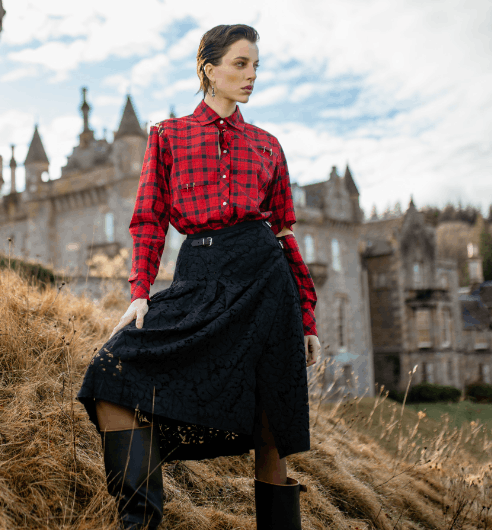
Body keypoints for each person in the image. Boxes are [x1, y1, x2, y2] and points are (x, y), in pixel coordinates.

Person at [77, 23, 321, 530]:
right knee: (110, 370)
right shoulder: (167, 135)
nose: (251, 75)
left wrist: (307, 315)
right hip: (199, 278)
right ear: (209, 69)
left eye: (255, 66)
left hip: (266, 281)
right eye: (240, 64)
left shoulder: (269, 145)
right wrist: (140, 293)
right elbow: (148, 221)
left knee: (270, 424)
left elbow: (283, 233)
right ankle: (139, 522)